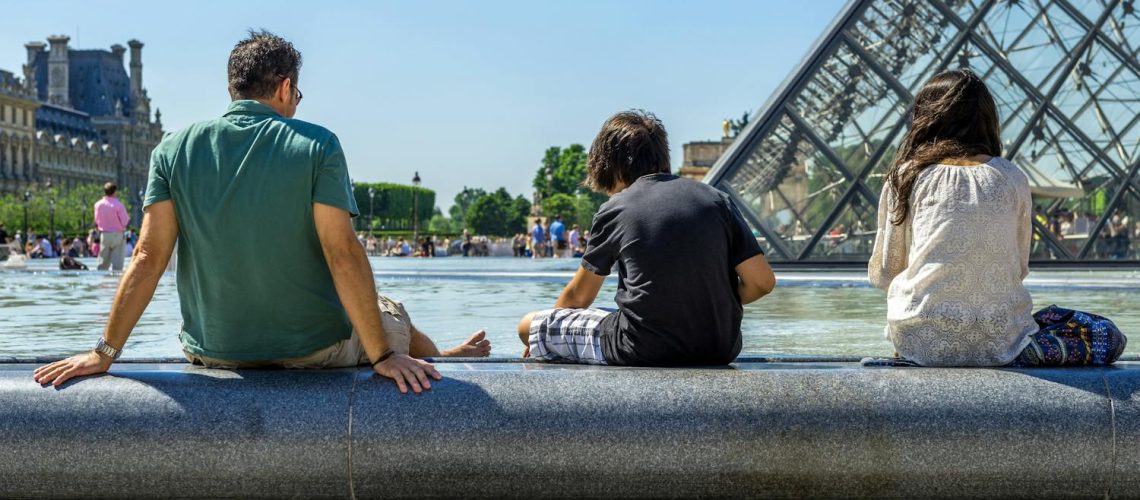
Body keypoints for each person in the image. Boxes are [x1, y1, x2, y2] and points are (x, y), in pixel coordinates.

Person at [33, 30, 490, 394]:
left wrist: (104, 352)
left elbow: (148, 259)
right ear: (286, 87)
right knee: (388, 310)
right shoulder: (317, 144)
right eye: (298, 94)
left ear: (233, 88)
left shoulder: (172, 148)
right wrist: (384, 358)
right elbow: (342, 255)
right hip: (315, 351)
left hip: (215, 351)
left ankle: (440, 353)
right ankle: (439, 358)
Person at [868, 69, 1126, 367]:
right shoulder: (1012, 177)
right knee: (1105, 333)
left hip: (918, 340)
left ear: (924, 118)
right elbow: (1018, 268)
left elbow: (886, 273)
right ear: (988, 121)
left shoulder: (905, 177)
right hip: (1001, 342)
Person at [517, 110, 775, 366]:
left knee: (529, 325)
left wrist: (547, 338)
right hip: (720, 347)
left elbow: (577, 299)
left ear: (611, 168)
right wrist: (703, 303)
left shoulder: (617, 208)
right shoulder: (717, 200)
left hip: (642, 346)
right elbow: (762, 282)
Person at [93, 182, 131, 271]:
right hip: (117, 234)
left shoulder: (98, 205)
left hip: (104, 234)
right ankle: (115, 282)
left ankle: (101, 281)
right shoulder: (119, 205)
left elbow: (96, 220)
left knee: (103, 261)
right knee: (117, 263)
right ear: (115, 192)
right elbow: (125, 221)